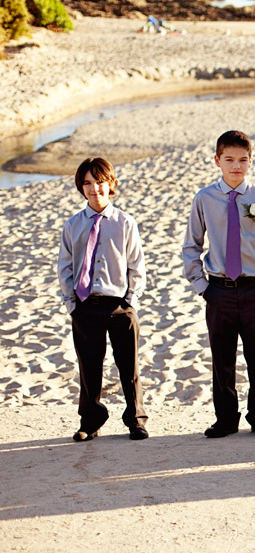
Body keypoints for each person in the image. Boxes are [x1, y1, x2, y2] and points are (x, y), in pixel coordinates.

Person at [183, 130, 255, 438]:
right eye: (229, 160)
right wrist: (202, 286)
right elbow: (192, 245)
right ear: (218, 161)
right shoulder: (204, 198)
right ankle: (226, 418)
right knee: (222, 359)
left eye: (242, 160)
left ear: (250, 162)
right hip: (219, 291)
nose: (235, 166)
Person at [58, 157, 148, 442]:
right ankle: (91, 421)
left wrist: (130, 301)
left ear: (110, 185)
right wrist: (73, 304)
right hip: (86, 306)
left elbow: (136, 265)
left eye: (99, 182)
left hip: (119, 305)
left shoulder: (124, 223)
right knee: (89, 367)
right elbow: (65, 267)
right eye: (87, 183)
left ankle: (136, 420)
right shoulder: (73, 225)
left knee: (128, 367)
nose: (94, 188)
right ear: (81, 187)